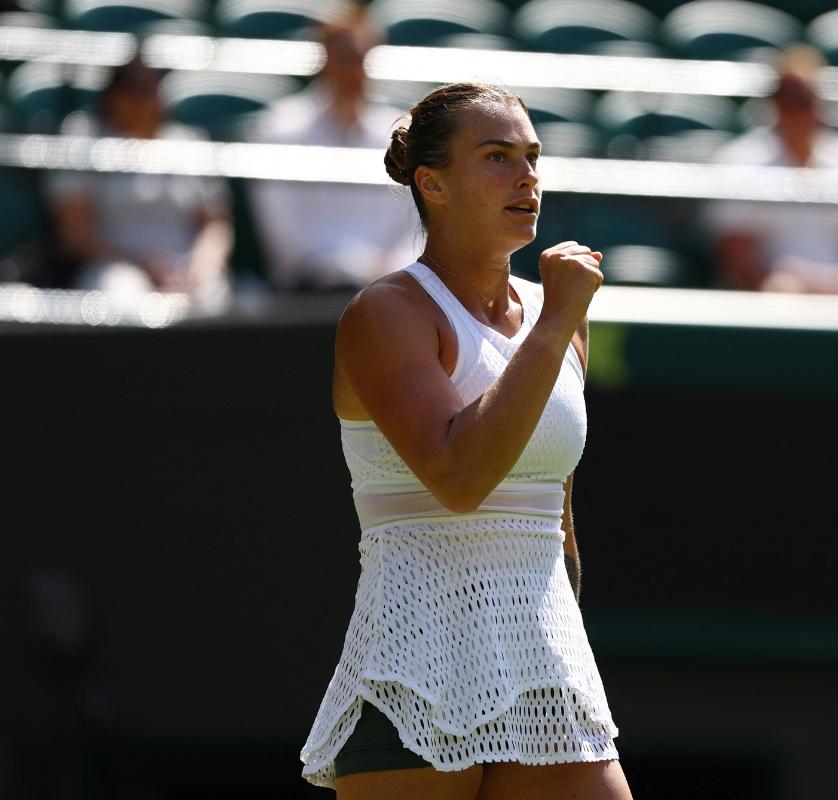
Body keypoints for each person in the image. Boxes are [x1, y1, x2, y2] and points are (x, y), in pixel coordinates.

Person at [298, 83, 633, 800]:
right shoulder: (385, 313)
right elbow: (459, 478)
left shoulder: (558, 319)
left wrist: (565, 640)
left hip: (543, 667)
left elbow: (556, 522)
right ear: (433, 183)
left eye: (533, 157)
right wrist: (551, 328)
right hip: (415, 667)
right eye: (497, 156)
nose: (527, 177)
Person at [248, 8, 424, 293]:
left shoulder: (399, 132)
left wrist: (394, 267)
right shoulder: (280, 127)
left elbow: (414, 222)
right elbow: (285, 234)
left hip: (393, 286)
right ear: (324, 60)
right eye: (343, 56)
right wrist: (356, 268)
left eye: (360, 56)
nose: (353, 68)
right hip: (310, 290)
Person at [46, 52, 233, 313]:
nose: (143, 99)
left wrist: (201, 267)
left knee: (215, 301)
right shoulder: (85, 138)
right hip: (114, 266)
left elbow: (215, 224)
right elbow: (75, 232)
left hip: (185, 270)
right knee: (123, 299)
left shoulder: (188, 141)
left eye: (150, 88)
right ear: (112, 96)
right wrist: (142, 264)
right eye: (133, 89)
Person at [705, 44, 838, 295]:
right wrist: (783, 286)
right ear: (774, 102)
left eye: (808, 98)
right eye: (790, 98)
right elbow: (735, 258)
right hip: (769, 304)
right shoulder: (739, 162)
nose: (800, 109)